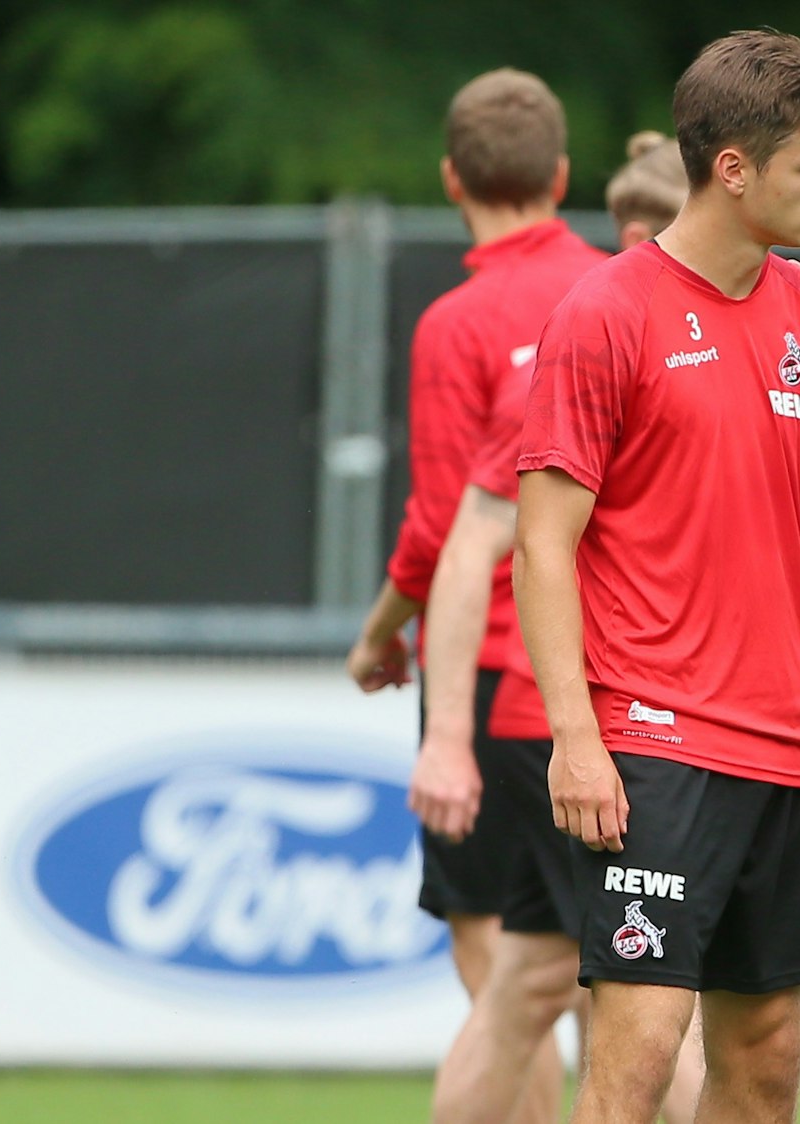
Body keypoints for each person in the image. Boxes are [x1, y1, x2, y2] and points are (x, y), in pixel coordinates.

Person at [512, 31, 800, 1124]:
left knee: (767, 1063)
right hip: (654, 744)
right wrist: (575, 733)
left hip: (787, 749)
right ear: (733, 167)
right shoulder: (605, 313)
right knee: (636, 1059)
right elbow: (542, 542)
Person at [413, 133, 703, 1124]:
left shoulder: (599, 330)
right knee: (669, 1001)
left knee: (526, 986)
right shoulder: (602, 336)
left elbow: (451, 540)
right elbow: (466, 541)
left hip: (574, 711)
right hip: (619, 723)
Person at [342, 68, 610, 1124]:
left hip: (495, 677)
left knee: (505, 991)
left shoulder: (455, 323)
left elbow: (438, 527)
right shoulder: (614, 291)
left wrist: (378, 637)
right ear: (560, 173)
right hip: (598, 674)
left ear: (452, 176)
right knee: (615, 986)